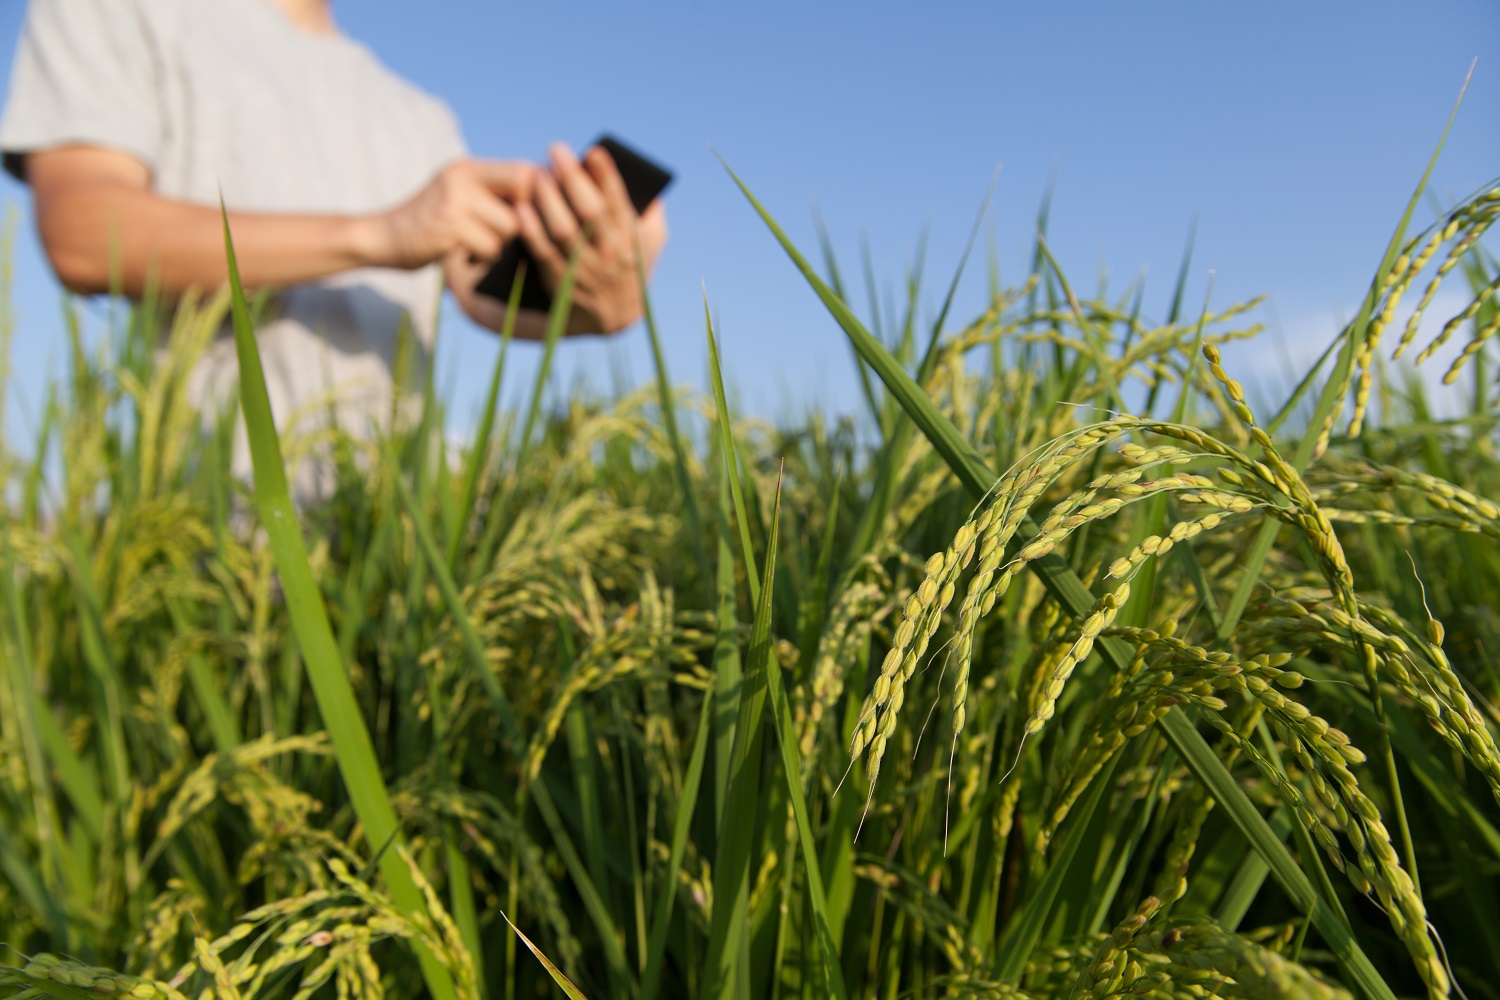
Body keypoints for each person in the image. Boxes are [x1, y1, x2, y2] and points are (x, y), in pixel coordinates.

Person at [0, 0, 668, 487]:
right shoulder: (117, 11)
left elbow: (483, 296)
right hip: (211, 524)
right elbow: (84, 232)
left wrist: (599, 293)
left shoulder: (418, 114)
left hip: (393, 540)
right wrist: (378, 235)